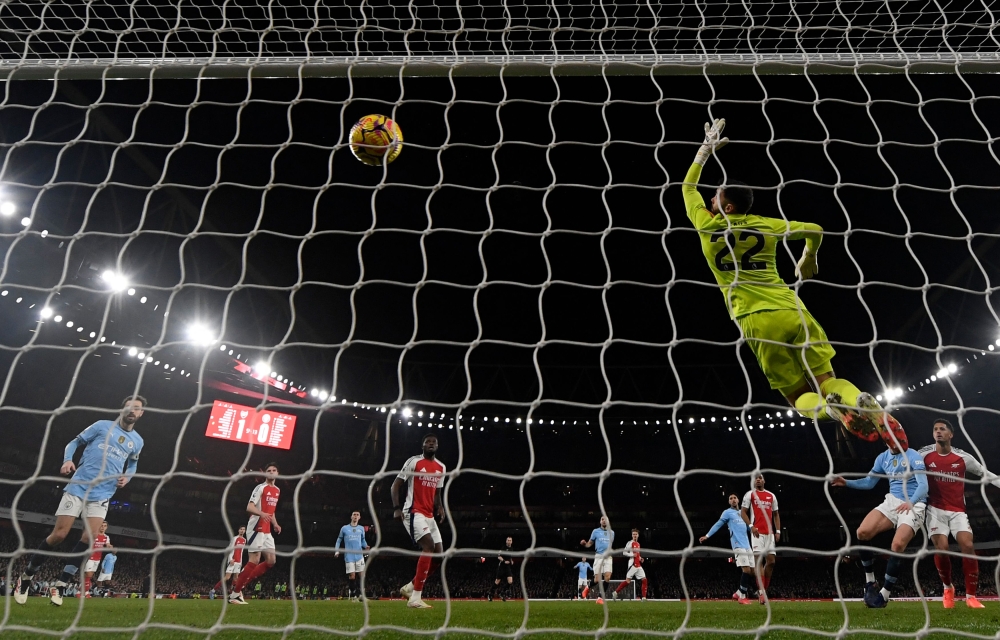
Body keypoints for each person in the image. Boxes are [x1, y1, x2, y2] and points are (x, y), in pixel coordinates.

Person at [682, 118, 907, 450]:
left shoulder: (705, 225)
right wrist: (809, 257)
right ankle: (858, 398)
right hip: (791, 309)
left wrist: (704, 150)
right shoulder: (765, 224)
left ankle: (832, 410)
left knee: (800, 397)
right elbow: (815, 228)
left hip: (756, 320)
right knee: (829, 380)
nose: (709, 201)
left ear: (726, 207)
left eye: (714, 199)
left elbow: (687, 188)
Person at [14, 396, 145, 606]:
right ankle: (27, 577)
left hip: (103, 493)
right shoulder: (102, 426)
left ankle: (60, 585)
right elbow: (75, 441)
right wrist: (68, 459)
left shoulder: (137, 441)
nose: (132, 410)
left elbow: (132, 465)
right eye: (129, 406)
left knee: (89, 539)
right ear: (122, 409)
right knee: (59, 535)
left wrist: (128, 477)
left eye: (137, 408)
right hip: (79, 486)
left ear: (140, 414)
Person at [832, 435, 927, 608]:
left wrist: (911, 501)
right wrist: (847, 483)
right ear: (887, 441)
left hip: (915, 503)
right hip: (892, 501)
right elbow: (869, 483)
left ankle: (884, 594)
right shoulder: (883, 458)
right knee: (862, 532)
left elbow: (923, 485)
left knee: (897, 545)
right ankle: (870, 582)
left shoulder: (913, 456)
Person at [918, 418, 1000, 609]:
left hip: (958, 511)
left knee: (968, 545)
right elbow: (906, 464)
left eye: (942, 429)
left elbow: (985, 474)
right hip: (935, 510)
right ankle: (948, 588)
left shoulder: (963, 458)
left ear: (951, 434)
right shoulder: (924, 455)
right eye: (935, 429)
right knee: (943, 549)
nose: (938, 432)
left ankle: (971, 596)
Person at [392, 433, 446, 609]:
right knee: (428, 546)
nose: (431, 444)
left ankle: (410, 587)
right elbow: (395, 485)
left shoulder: (441, 467)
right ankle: (415, 598)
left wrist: (440, 507)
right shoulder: (413, 462)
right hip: (413, 512)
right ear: (422, 446)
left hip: (429, 515)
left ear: (437, 446)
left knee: (439, 556)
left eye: (434, 442)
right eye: (428, 442)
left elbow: (437, 493)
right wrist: (396, 508)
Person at [228, 463, 282, 605]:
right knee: (254, 560)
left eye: (273, 470)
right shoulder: (260, 488)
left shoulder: (277, 490)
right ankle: (234, 594)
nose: (271, 472)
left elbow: (272, 511)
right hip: (256, 525)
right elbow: (249, 507)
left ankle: (240, 584)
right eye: (268, 470)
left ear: (277, 473)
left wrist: (275, 524)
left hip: (267, 528)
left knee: (271, 560)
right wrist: (262, 513)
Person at [699, 494, 754, 605]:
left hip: (748, 546)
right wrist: (707, 535)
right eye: (731, 498)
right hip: (738, 545)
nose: (733, 500)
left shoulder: (743, 513)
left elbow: (750, 528)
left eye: (735, 498)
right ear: (729, 502)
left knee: (752, 572)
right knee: (746, 570)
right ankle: (742, 597)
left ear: (738, 500)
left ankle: (738, 592)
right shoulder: (727, 513)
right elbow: (718, 524)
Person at [741, 474, 780, 604]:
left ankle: (763, 591)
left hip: (769, 534)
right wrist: (751, 527)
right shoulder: (750, 495)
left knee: (772, 562)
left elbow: (776, 514)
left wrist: (778, 531)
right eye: (756, 478)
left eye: (760, 477)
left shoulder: (771, 496)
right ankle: (762, 593)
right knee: (759, 561)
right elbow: (743, 512)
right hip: (757, 533)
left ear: (764, 480)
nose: (758, 479)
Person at [335, 511, 370, 602]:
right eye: (354, 515)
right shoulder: (344, 528)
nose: (355, 516)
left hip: (359, 555)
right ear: (351, 517)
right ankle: (354, 596)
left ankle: (362, 595)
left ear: (359, 517)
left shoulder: (361, 528)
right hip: (349, 556)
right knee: (352, 576)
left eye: (357, 515)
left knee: (362, 575)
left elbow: (362, 540)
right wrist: (337, 550)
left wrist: (365, 546)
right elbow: (339, 540)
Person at [580, 516, 614, 604]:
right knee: (597, 579)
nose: (604, 521)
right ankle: (587, 587)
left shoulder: (612, 533)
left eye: (606, 519)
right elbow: (589, 544)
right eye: (602, 519)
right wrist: (585, 544)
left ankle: (600, 598)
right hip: (599, 556)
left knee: (608, 577)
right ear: (600, 521)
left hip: (608, 557)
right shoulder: (595, 531)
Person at [211, 526, 246, 599]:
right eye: (241, 529)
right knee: (227, 577)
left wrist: (241, 562)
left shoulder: (244, 540)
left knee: (236, 578)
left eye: (243, 529)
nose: (242, 531)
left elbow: (241, 552)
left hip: (238, 562)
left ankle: (232, 594)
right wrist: (230, 559)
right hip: (233, 560)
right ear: (238, 530)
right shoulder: (235, 538)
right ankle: (213, 590)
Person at [614, 529, 648, 601]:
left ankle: (644, 597)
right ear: (632, 535)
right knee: (627, 581)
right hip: (632, 565)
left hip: (638, 565)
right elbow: (624, 553)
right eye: (633, 534)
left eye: (636, 534)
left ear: (638, 535)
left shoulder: (638, 544)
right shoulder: (630, 543)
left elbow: (637, 555)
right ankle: (615, 592)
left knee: (644, 580)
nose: (635, 535)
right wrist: (632, 554)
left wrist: (640, 558)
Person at [489, 536, 515, 602]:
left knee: (510, 581)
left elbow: (510, 557)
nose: (509, 541)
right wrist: (504, 561)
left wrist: (511, 561)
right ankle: (490, 595)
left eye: (510, 540)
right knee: (497, 582)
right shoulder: (503, 548)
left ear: (511, 541)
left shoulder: (512, 549)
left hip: (508, 567)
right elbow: (499, 557)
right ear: (506, 541)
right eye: (508, 540)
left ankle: (502, 593)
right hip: (502, 566)